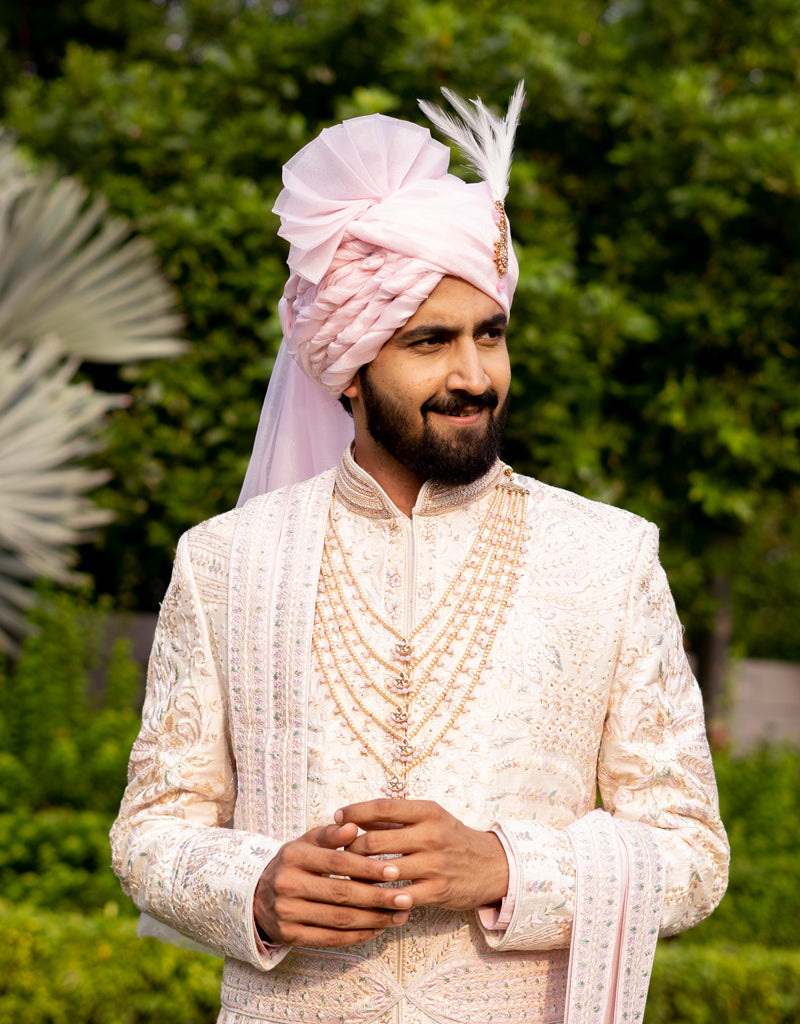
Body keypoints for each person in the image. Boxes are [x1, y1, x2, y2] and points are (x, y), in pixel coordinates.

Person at [111, 85, 729, 1024]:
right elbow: (151, 832)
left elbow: (692, 852)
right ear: (348, 370)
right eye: (429, 342)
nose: (474, 376)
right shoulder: (225, 561)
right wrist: (259, 887)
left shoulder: (610, 555)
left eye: (491, 335)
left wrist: (507, 866)